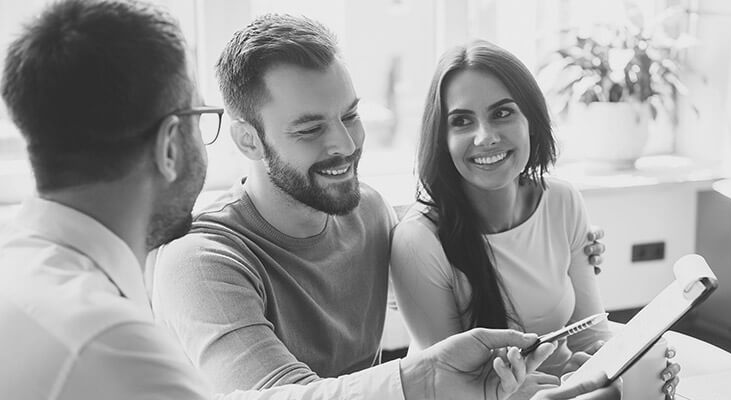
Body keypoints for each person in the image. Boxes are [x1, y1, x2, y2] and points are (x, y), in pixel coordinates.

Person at [0, 1, 608, 399]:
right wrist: (422, 379)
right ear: (244, 138)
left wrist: (561, 236)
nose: (344, 144)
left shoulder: (368, 211)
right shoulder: (199, 262)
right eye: (309, 128)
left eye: (350, 116)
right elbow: (279, 394)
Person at [389, 40, 680, 398]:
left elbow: (590, 331)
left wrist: (620, 366)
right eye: (462, 121)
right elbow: (448, 383)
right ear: (441, 138)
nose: (485, 137)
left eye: (502, 113)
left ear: (531, 119)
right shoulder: (418, 240)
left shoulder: (561, 201)